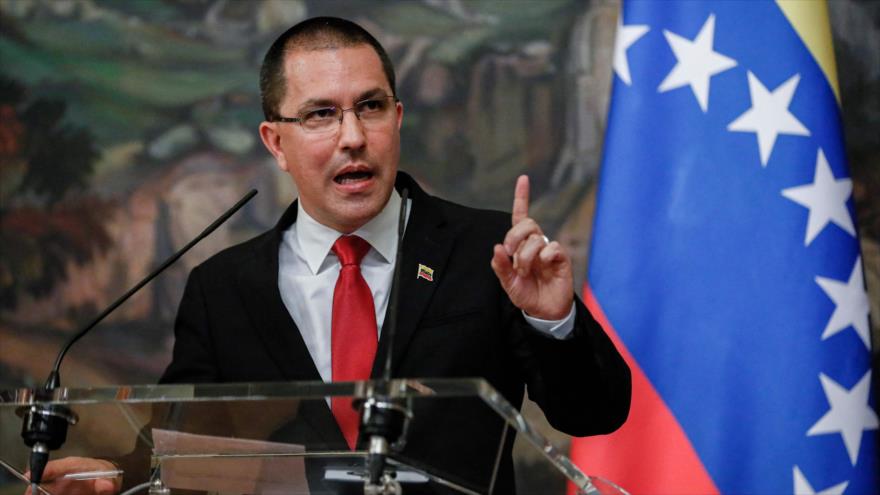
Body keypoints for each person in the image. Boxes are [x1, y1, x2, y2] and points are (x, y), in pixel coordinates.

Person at [26, 16, 630, 495]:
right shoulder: (224, 288)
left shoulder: (488, 250)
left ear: (397, 118)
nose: (353, 136)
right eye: (321, 114)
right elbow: (183, 449)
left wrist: (552, 320)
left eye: (370, 107)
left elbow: (596, 412)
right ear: (276, 142)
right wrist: (112, 476)